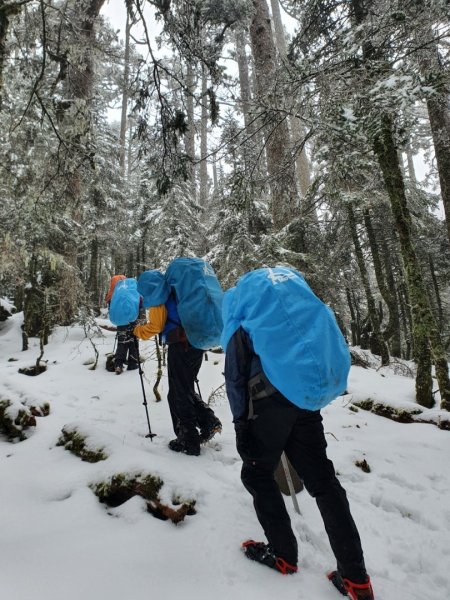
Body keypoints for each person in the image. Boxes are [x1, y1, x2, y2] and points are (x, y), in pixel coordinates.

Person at [222, 272, 375, 600]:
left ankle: (283, 555)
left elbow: (235, 378)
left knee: (256, 472)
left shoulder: (242, 316)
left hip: (269, 404)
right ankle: (356, 578)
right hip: (303, 399)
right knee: (323, 481)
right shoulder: (291, 306)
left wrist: (240, 426)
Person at [133, 271, 222, 456]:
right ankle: (208, 421)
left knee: (178, 392)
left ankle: (188, 439)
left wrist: (137, 332)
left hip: (180, 344)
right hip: (197, 342)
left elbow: (155, 326)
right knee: (185, 387)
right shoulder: (177, 292)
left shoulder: (160, 297)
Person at [105, 275, 139, 375]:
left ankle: (118, 364)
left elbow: (110, 308)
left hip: (120, 322)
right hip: (132, 319)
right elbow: (138, 302)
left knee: (122, 341)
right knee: (133, 340)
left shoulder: (113, 293)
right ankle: (133, 363)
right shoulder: (129, 290)